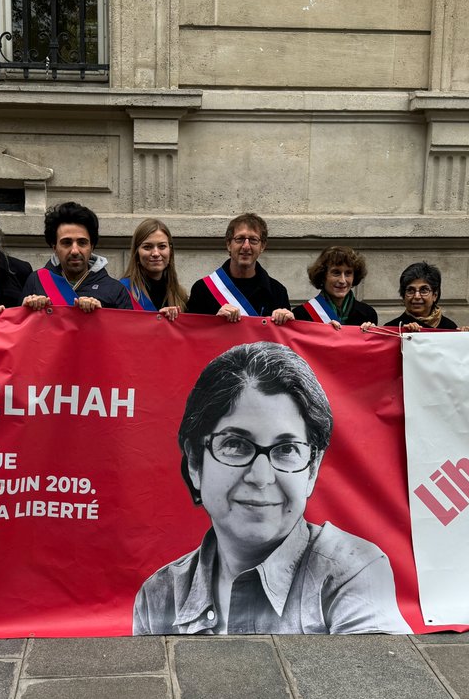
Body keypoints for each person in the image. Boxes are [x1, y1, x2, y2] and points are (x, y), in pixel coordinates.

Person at [133, 341, 411, 636]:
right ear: (194, 463)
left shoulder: (353, 570)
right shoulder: (159, 594)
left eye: (287, 449)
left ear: (312, 468)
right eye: (235, 445)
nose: (261, 477)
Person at [19, 201, 131, 312]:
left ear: (92, 246)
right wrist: (26, 310)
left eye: (82, 243)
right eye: (66, 243)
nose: (75, 251)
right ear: (54, 247)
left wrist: (101, 315)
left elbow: (127, 324)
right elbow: (19, 323)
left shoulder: (115, 290)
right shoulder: (36, 281)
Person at [185, 213, 294, 325]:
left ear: (262, 246)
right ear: (229, 244)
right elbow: (191, 332)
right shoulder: (203, 289)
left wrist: (288, 324)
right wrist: (215, 322)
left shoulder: (278, 291)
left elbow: (285, 336)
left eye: (253, 240)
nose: (246, 246)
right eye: (240, 239)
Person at [119, 218, 188, 320]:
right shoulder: (122, 291)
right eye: (147, 247)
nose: (155, 253)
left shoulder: (180, 295)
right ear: (136, 253)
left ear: (170, 251)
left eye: (162, 246)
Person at [292, 246, 377, 327]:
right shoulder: (302, 314)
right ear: (323, 276)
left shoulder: (368, 314)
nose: (342, 280)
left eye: (348, 273)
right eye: (336, 273)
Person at [380, 262, 469, 332]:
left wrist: (468, 336)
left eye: (424, 290)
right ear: (403, 296)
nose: (417, 296)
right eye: (410, 291)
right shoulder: (391, 329)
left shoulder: (449, 328)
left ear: (435, 295)